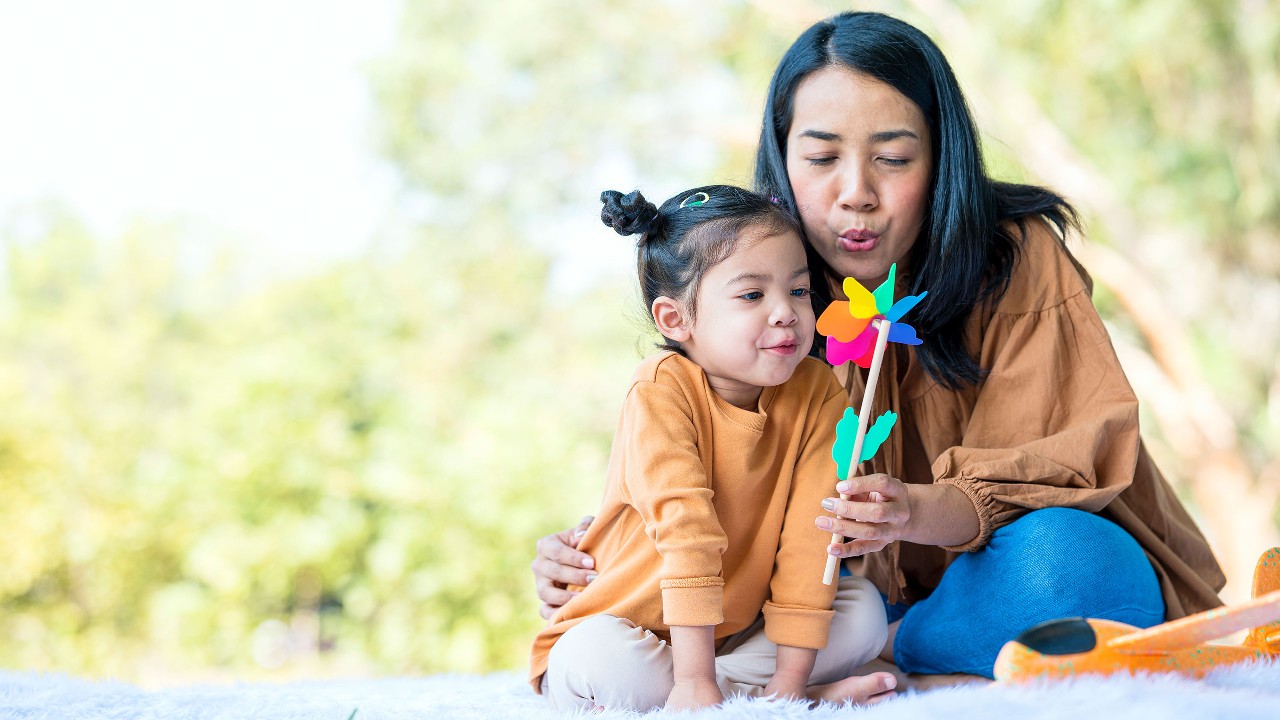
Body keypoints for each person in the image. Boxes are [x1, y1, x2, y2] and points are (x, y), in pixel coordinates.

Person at [531, 11, 1226, 680]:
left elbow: (1069, 463)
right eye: (822, 157)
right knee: (796, 610)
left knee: (1082, 570)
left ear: (940, 156)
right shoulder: (756, 277)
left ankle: (901, 649)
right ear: (781, 159)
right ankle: (866, 660)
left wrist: (915, 512)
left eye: (893, 157)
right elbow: (692, 468)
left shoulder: (1014, 256)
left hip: (988, 579)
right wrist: (593, 554)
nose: (856, 193)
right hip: (816, 600)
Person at [530, 185, 894, 712]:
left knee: (861, 612)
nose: (785, 313)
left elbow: (812, 541)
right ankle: (722, 691)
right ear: (676, 319)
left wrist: (789, 685)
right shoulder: (660, 389)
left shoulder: (817, 391)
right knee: (597, 659)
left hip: (737, 637)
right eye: (752, 295)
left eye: (798, 290)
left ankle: (762, 694)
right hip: (632, 631)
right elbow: (687, 534)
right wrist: (692, 681)